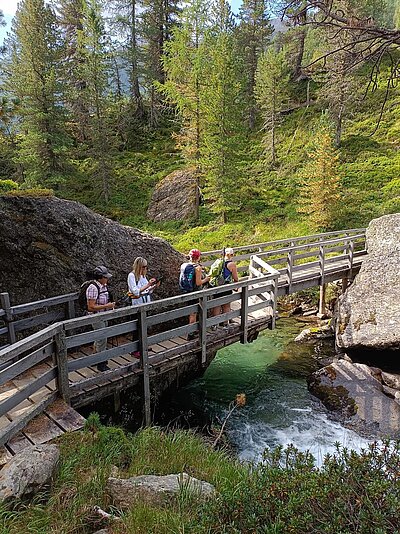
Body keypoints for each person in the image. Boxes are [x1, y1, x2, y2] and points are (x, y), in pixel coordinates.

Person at [86, 265, 116, 372]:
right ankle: (101, 363)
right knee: (102, 338)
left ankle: (95, 358)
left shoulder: (104, 286)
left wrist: (109, 305)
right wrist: (106, 306)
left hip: (104, 315)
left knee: (99, 337)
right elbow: (90, 306)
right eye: (105, 277)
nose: (107, 279)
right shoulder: (93, 288)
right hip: (96, 317)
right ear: (100, 277)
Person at [127, 257, 158, 357]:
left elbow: (147, 290)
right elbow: (135, 291)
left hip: (146, 303)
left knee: (144, 326)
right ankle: (135, 350)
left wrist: (154, 286)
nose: (145, 268)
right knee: (137, 327)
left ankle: (143, 345)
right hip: (137, 303)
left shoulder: (143, 276)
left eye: (146, 267)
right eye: (144, 266)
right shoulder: (132, 276)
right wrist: (149, 284)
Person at [179, 249, 210, 340]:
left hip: (185, 291)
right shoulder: (197, 268)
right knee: (193, 313)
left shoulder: (184, 265)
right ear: (198, 257)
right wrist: (206, 279)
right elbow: (198, 282)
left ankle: (192, 330)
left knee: (191, 312)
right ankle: (191, 334)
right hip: (194, 292)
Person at [211, 247, 239, 328]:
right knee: (226, 305)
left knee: (217, 305)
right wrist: (236, 285)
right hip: (226, 287)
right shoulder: (232, 264)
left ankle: (214, 324)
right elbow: (235, 278)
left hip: (217, 286)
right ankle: (225, 323)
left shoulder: (218, 261)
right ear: (231, 254)